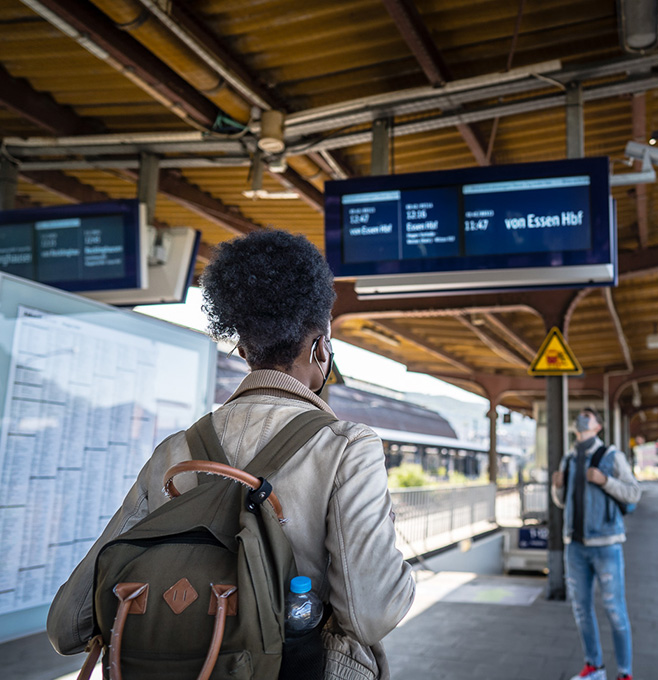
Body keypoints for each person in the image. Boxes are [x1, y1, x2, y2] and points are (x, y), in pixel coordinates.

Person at [47, 230, 416, 678]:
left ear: (241, 349)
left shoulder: (175, 452)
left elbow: (67, 625)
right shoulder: (347, 448)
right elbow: (372, 613)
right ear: (321, 348)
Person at [551, 407, 642, 680]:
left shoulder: (612, 456)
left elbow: (634, 493)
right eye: (579, 415)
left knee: (615, 610)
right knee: (581, 609)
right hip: (575, 546)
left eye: (587, 416)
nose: (581, 418)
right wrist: (557, 487)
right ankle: (594, 667)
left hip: (606, 545)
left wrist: (605, 481)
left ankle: (625, 673)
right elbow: (562, 502)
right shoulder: (568, 458)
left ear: (598, 426)